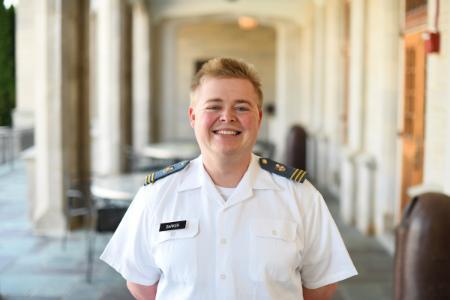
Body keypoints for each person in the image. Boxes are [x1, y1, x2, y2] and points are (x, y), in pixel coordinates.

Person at [100, 57, 357, 299]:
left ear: (258, 117)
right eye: (214, 106)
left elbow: (321, 285)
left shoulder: (300, 195)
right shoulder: (156, 194)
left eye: (241, 107)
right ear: (193, 117)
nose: (227, 116)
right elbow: (141, 283)